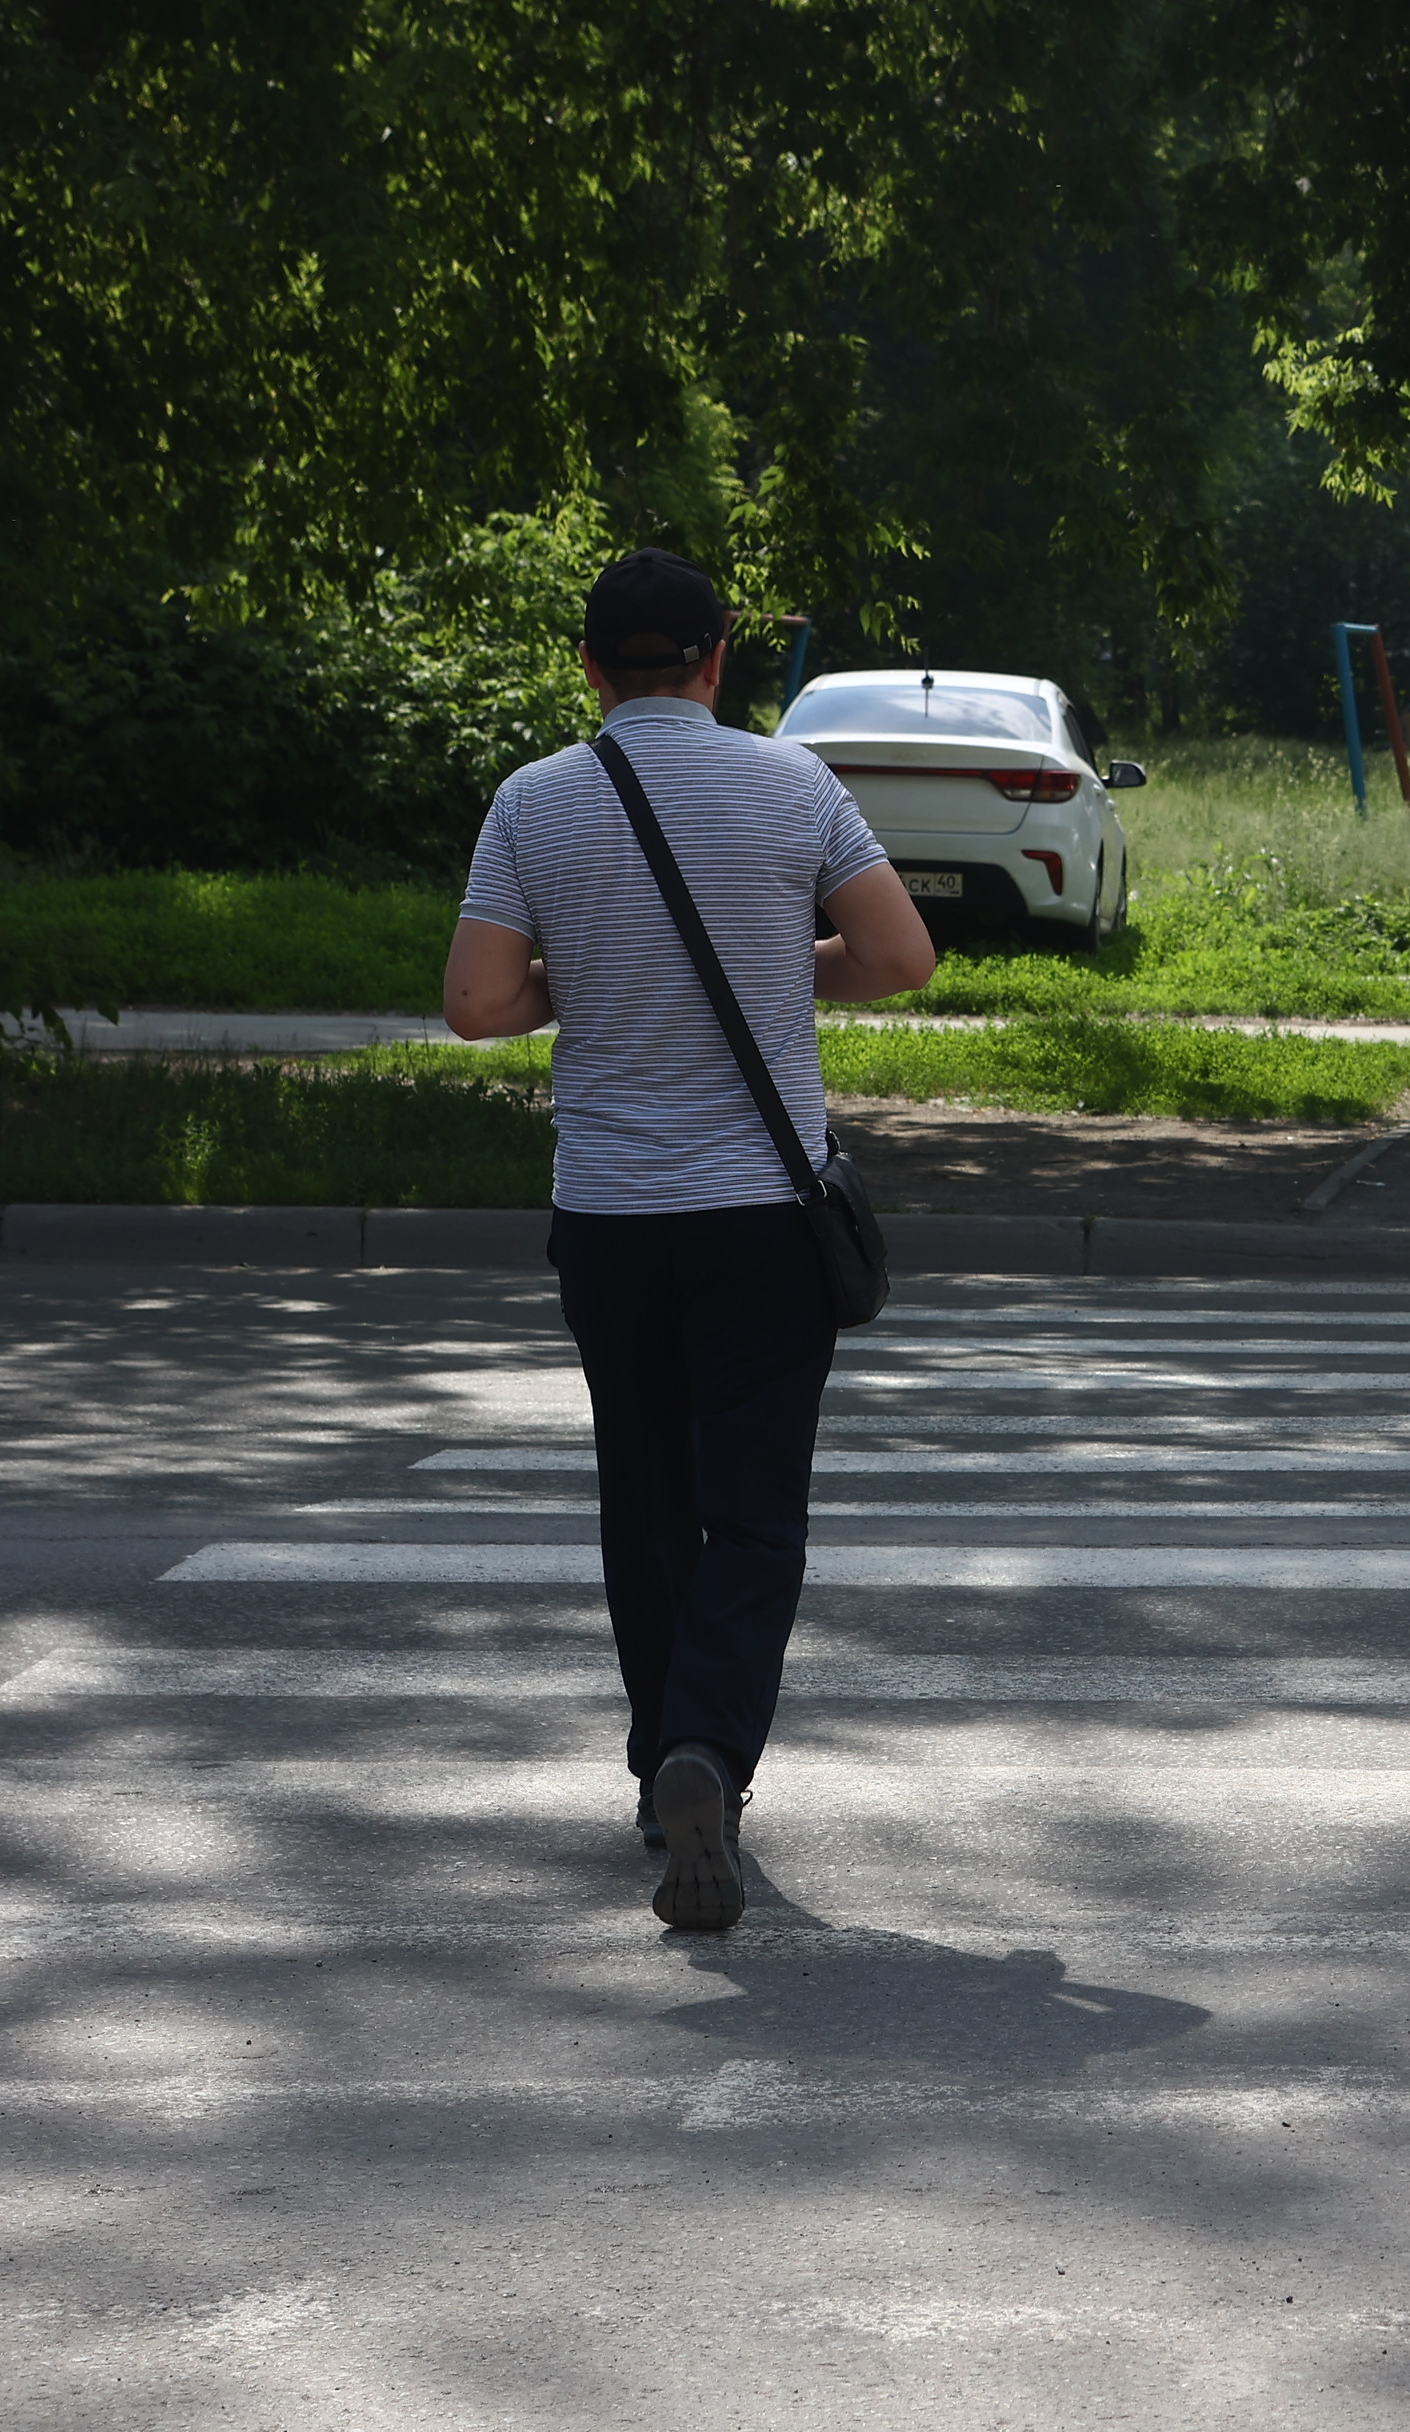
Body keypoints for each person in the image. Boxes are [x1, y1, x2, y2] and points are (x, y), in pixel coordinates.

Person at [443, 549, 935, 1933]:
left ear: (589, 667)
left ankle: (665, 1767)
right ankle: (707, 1747)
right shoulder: (794, 784)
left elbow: (477, 1003)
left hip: (610, 1220)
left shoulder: (535, 799)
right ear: (720, 658)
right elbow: (900, 958)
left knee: (645, 1494)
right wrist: (787, 961)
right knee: (755, 1510)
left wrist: (587, 977)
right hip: (762, 1222)